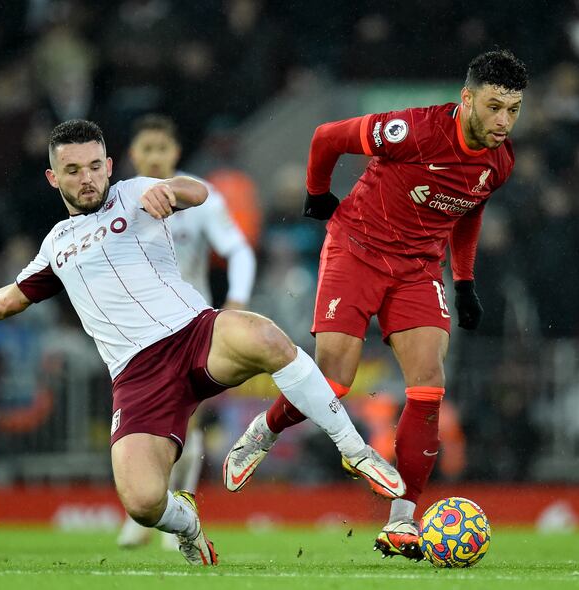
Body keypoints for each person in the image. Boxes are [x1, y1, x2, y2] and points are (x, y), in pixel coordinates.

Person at [0, 119, 404, 566]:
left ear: (109, 163)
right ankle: (187, 525)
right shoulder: (55, 246)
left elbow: (198, 192)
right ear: (52, 177)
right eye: (73, 170)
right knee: (142, 502)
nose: (87, 178)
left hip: (194, 335)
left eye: (95, 166)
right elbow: (14, 297)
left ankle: (354, 450)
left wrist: (171, 190)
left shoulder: (135, 192)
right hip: (137, 378)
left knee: (263, 334)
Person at [223, 49, 528, 560]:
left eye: (514, 110)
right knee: (335, 380)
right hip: (357, 250)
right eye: (495, 107)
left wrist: (467, 280)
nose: (503, 121)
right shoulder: (415, 130)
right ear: (468, 97)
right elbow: (326, 137)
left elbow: (469, 206)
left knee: (429, 385)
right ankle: (264, 429)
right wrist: (318, 194)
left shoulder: (500, 161)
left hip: (418, 270)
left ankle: (403, 519)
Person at [116, 115, 257, 550]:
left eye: (163, 148)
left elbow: (238, 250)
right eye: (147, 149)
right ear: (133, 156)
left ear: (176, 153)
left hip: (189, 326)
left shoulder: (202, 198)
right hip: (136, 332)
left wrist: (237, 299)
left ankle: (178, 506)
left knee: (188, 418)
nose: (155, 156)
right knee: (139, 421)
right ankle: (148, 510)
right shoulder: (116, 204)